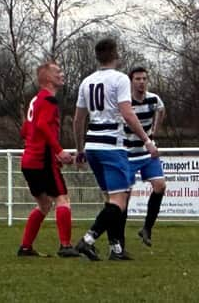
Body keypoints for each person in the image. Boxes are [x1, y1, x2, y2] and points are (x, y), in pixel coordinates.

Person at [73, 38, 158, 261]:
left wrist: (79, 150)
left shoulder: (86, 82)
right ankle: (87, 241)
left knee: (111, 200)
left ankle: (115, 249)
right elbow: (128, 114)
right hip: (112, 145)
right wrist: (146, 140)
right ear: (116, 55)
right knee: (119, 202)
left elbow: (78, 120)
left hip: (92, 146)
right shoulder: (119, 79)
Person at [17, 62, 78, 258]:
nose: (62, 74)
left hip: (28, 160)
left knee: (44, 205)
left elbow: (26, 130)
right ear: (47, 78)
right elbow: (42, 125)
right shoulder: (49, 101)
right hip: (42, 160)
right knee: (62, 198)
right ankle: (66, 246)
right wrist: (59, 152)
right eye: (57, 71)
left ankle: (26, 247)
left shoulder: (35, 100)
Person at [126, 67, 167, 247]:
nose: (141, 82)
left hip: (147, 151)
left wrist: (154, 132)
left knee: (160, 185)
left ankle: (147, 228)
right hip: (127, 153)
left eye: (144, 78)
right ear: (131, 81)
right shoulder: (126, 102)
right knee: (123, 197)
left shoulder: (153, 99)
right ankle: (118, 239)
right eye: (137, 79)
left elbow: (162, 110)